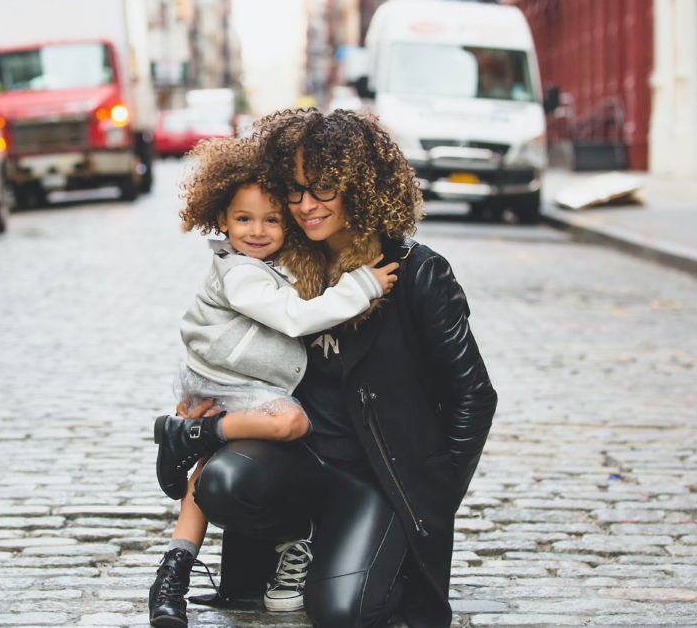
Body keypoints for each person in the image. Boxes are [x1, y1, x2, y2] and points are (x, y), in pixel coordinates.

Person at [188, 109, 498, 628]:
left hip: (377, 480)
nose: (306, 205)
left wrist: (432, 498)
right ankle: (302, 542)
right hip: (301, 464)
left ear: (360, 185)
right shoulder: (282, 266)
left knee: (342, 613)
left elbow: (474, 396)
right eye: (295, 189)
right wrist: (208, 396)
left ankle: (372, 551)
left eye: (324, 188)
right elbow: (231, 344)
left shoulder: (418, 273)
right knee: (221, 482)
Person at [148, 135, 400, 628]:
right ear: (221, 220)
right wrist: (363, 286)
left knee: (205, 470)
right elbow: (292, 318)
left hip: (225, 380)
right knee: (289, 421)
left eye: (272, 219)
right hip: (232, 381)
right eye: (244, 220)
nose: (258, 231)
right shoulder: (239, 272)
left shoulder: (268, 264)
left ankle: (172, 571)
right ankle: (195, 437)